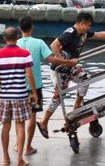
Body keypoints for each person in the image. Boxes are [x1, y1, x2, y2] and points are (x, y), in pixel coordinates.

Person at [36, 12, 105, 139]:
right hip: (60, 69)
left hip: (71, 67)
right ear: (81, 23)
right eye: (88, 25)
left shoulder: (83, 34)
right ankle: (44, 121)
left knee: (85, 79)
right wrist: (63, 62)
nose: (89, 28)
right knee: (59, 97)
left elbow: (98, 35)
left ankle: (77, 104)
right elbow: (54, 45)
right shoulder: (70, 32)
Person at [17, 16, 72, 156]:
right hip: (34, 87)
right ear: (32, 28)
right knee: (32, 116)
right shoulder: (39, 43)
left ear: (19, 28)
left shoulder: (15, 43)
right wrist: (69, 62)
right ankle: (28, 147)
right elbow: (51, 59)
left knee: (19, 119)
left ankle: (18, 145)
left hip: (17, 87)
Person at [0, 27, 37, 166]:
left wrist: (2, 83)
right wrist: (34, 92)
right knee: (20, 126)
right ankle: (19, 160)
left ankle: (5, 158)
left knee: (5, 127)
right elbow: (29, 74)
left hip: (4, 96)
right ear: (17, 37)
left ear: (4, 39)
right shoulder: (24, 54)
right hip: (21, 95)